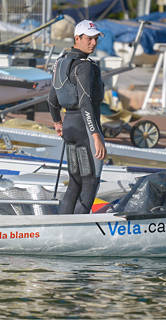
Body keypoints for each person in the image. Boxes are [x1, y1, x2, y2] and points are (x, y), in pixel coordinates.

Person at [48, 19, 106, 214]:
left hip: (69, 129)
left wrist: (57, 122)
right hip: (85, 129)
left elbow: (52, 98)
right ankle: (79, 227)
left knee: (75, 180)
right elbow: (85, 102)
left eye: (96, 39)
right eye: (89, 39)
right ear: (77, 38)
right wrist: (96, 135)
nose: (94, 43)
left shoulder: (60, 62)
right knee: (90, 180)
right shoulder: (84, 66)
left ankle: (62, 224)